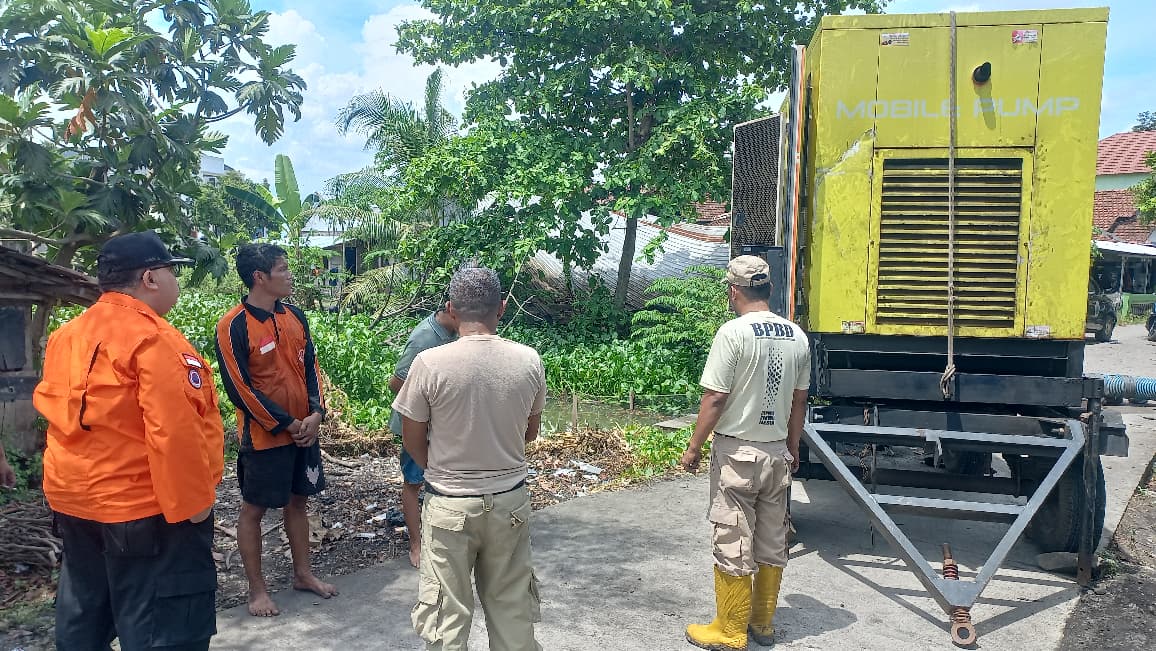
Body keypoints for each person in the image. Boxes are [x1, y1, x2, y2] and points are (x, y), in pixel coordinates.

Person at [33, 231, 224, 651]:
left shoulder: (67, 335)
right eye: (171, 271)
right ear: (150, 278)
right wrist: (195, 507)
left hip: (75, 506)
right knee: (163, 633)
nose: (176, 281)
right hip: (147, 514)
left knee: (85, 622)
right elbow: (174, 432)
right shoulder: (153, 339)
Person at [393, 266, 546, 651]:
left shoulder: (429, 363)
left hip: (449, 504)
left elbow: (412, 439)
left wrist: (442, 469)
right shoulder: (529, 360)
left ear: (452, 309)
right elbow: (530, 433)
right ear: (502, 307)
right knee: (513, 612)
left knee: (446, 619)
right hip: (510, 502)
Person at [680, 255, 810, 651]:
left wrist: (694, 447)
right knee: (772, 538)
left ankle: (731, 630)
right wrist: (792, 446)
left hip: (738, 455)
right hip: (776, 454)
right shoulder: (797, 336)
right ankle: (762, 624)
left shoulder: (733, 333)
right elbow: (799, 400)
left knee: (733, 538)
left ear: (734, 291)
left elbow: (715, 397)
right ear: (769, 289)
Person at [214, 243, 337, 617]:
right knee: (254, 509)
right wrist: (287, 423)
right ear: (260, 277)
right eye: (282, 269)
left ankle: (303, 574)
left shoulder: (295, 316)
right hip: (265, 437)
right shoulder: (233, 325)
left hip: (305, 431)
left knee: (298, 501)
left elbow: (311, 367)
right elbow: (239, 389)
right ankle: (257, 591)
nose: (290, 274)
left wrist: (316, 414)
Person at [389, 306, 459, 568]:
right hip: (417, 426)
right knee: (413, 482)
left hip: (440, 425)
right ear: (451, 309)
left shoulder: (454, 333)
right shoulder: (425, 338)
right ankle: (416, 545)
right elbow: (396, 383)